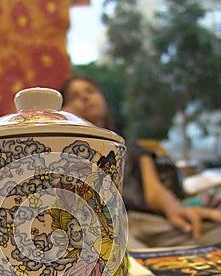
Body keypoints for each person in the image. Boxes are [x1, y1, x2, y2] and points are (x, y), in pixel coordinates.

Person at [59, 76, 221, 249]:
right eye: (74, 97)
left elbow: (155, 192)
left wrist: (177, 211)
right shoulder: (65, 155)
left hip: (143, 221)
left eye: (90, 91)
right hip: (100, 224)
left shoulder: (133, 149)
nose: (85, 98)